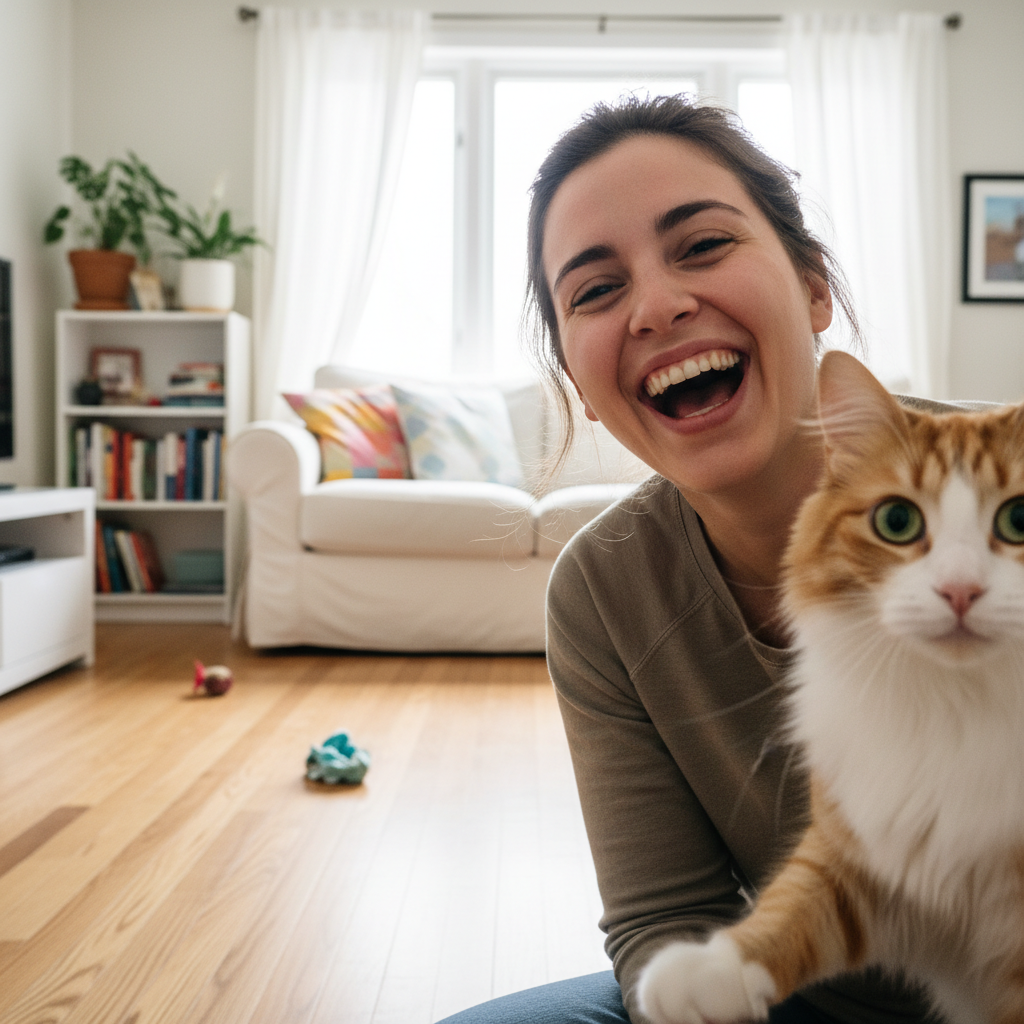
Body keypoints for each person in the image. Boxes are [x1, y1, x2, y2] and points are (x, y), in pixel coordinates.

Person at [436, 95, 934, 1024]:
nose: (658, 306)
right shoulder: (603, 591)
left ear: (814, 287)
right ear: (579, 384)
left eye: (702, 245)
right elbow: (669, 926)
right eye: (594, 290)